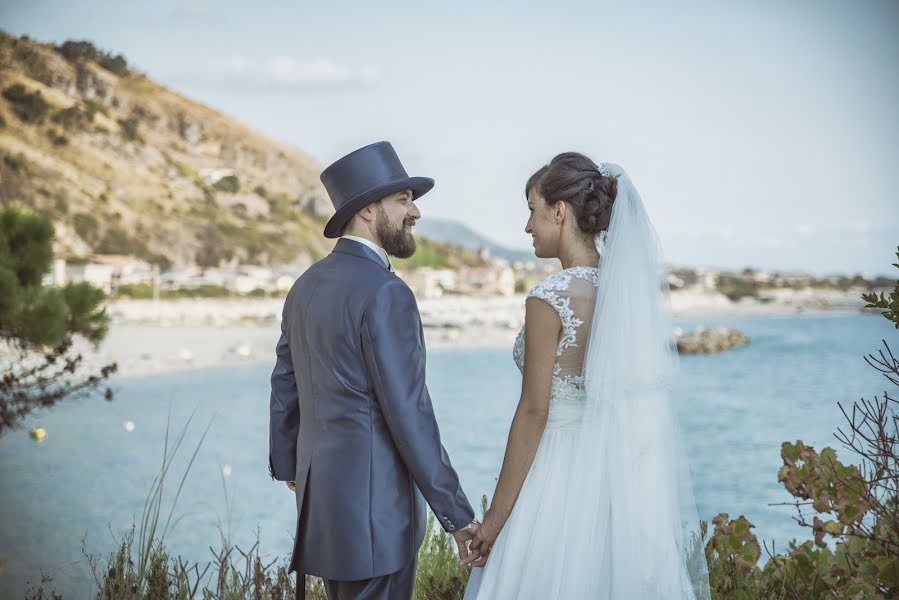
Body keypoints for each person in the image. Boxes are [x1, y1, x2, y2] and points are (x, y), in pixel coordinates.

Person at [463, 152, 711, 599]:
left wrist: (494, 522)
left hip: (554, 476)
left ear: (559, 212)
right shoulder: (625, 295)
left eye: (531, 211)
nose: (527, 227)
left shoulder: (550, 296)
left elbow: (534, 411)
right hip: (616, 482)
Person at [268, 141, 482, 600]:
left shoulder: (304, 287)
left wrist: (289, 463)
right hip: (376, 514)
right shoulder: (387, 292)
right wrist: (458, 516)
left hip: (321, 506)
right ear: (368, 210)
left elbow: (285, 387)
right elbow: (409, 413)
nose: (416, 212)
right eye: (404, 199)